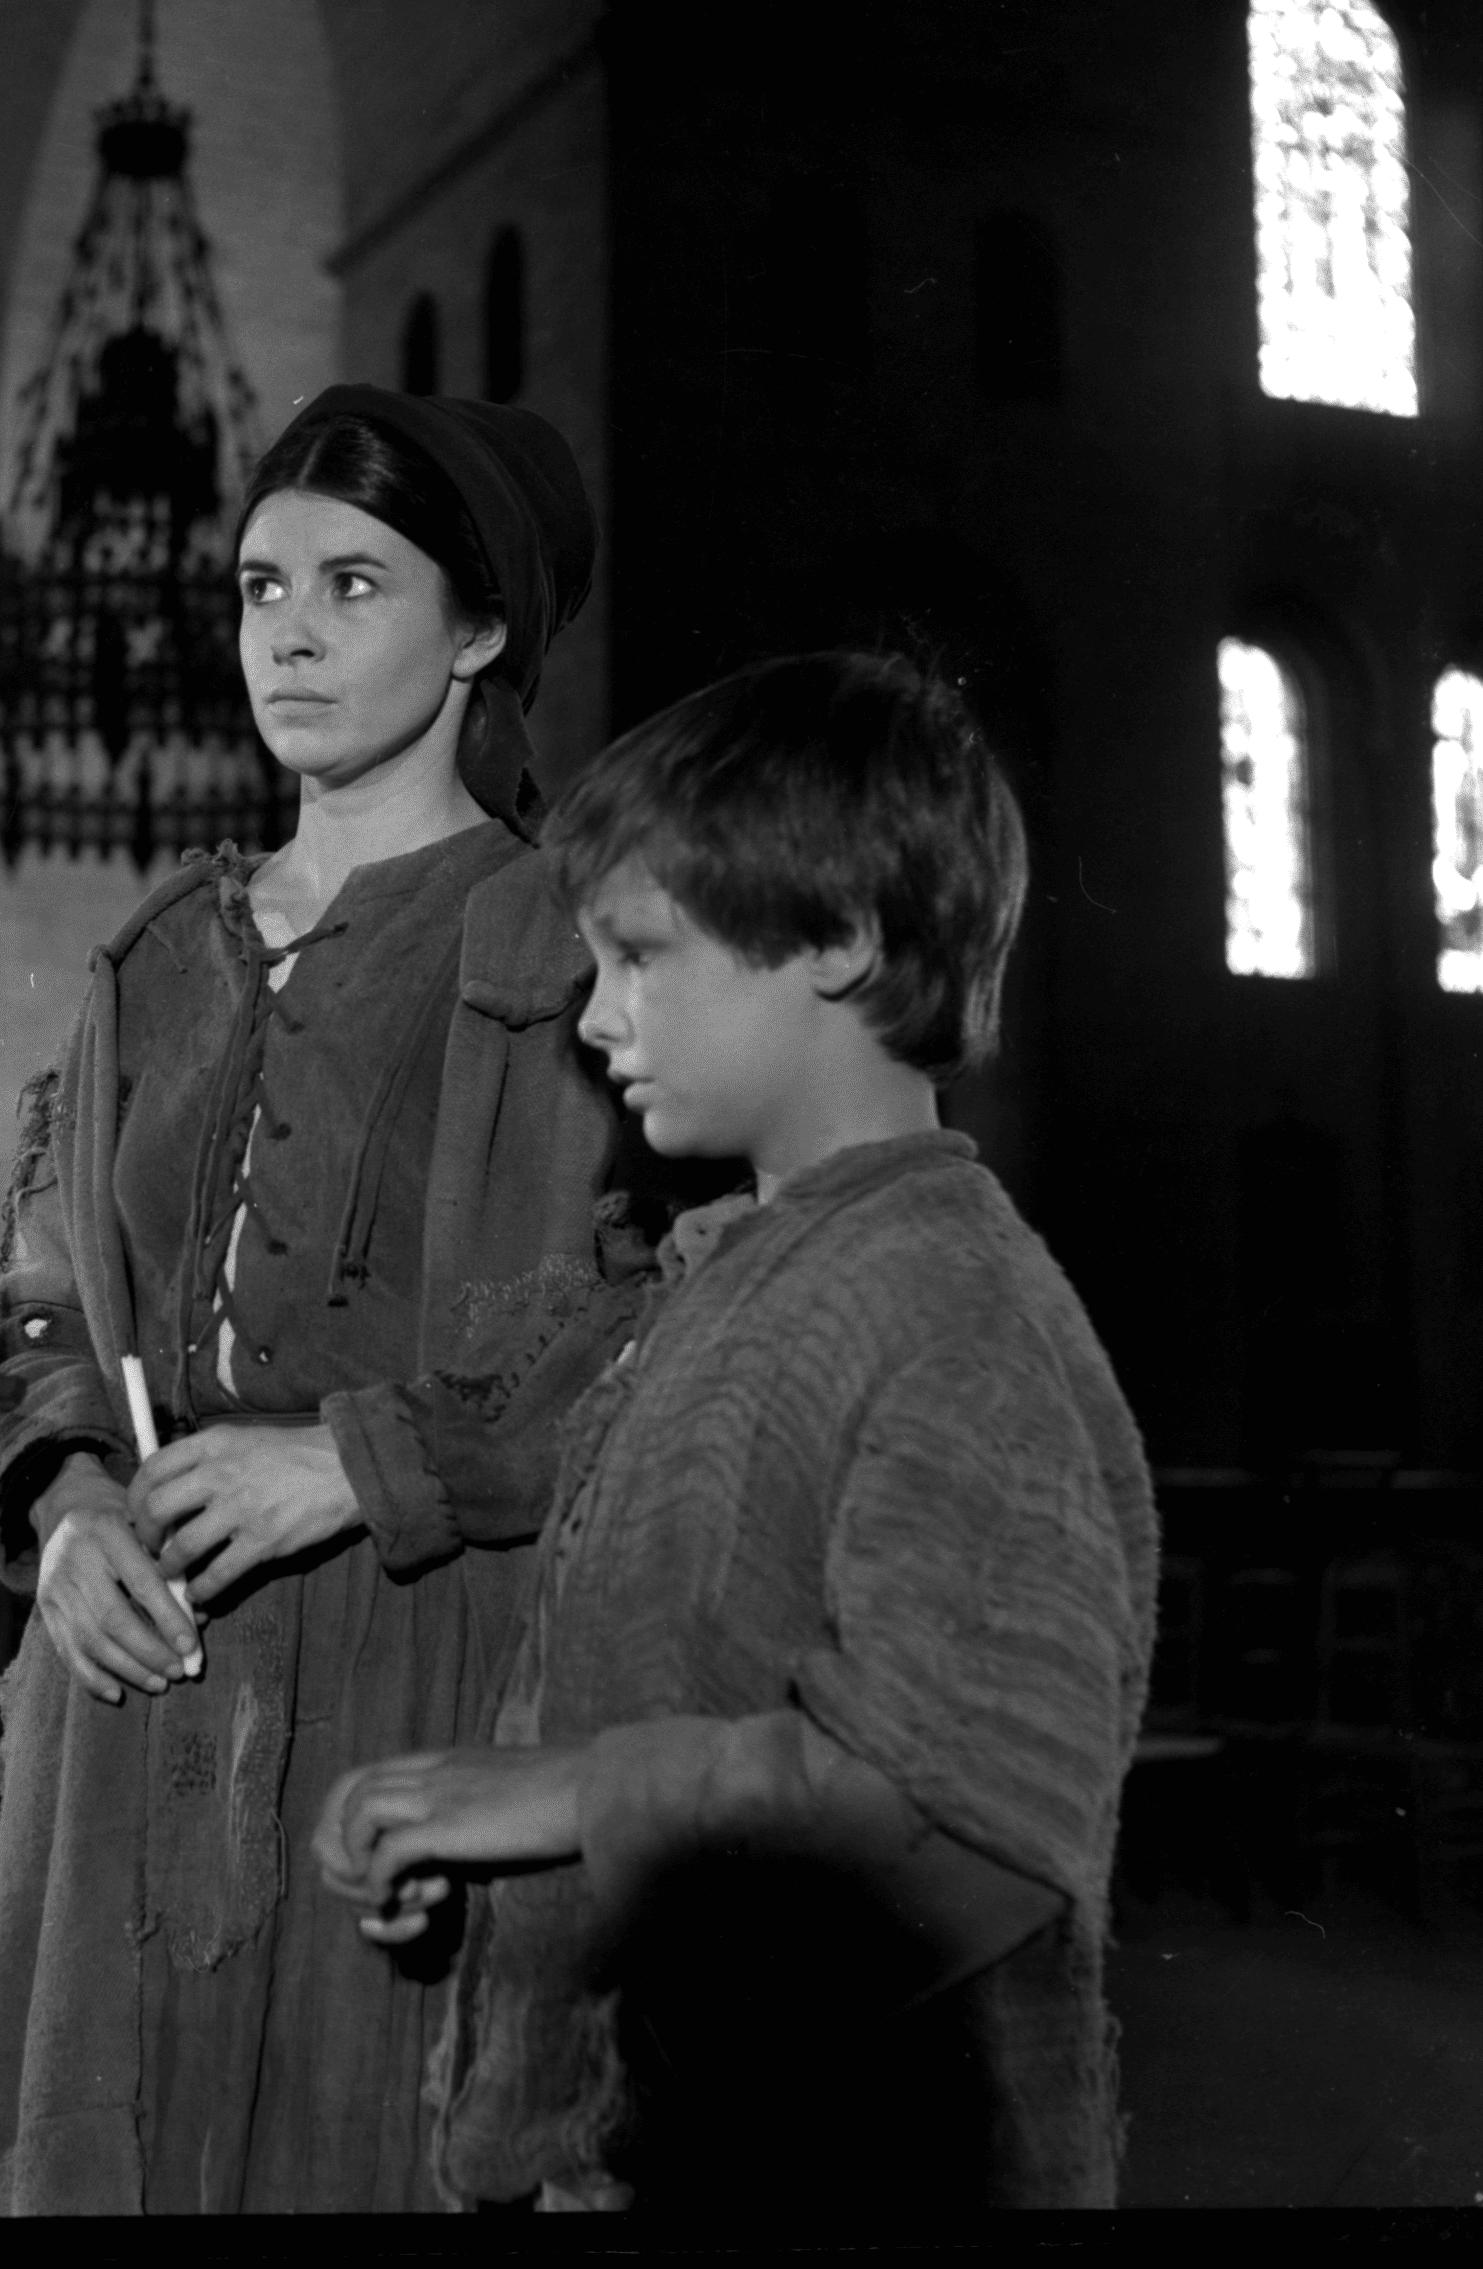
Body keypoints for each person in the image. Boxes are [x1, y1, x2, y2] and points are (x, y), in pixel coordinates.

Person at [314, 651, 1159, 2215]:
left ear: (838, 937)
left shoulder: (947, 1306)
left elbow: (974, 1820)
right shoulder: (731, 1274)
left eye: (640, 954)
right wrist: (506, 1856)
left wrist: (568, 1799)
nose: (596, 1008)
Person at [0, 387, 664, 2214]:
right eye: (264, 585)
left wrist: (357, 1467)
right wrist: (68, 1500)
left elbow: (673, 1324)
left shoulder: (570, 941)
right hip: (125, 1686)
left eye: (356, 583)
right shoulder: (155, 957)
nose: (292, 632)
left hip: (423, 1674)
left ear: (479, 627)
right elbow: (40, 1297)